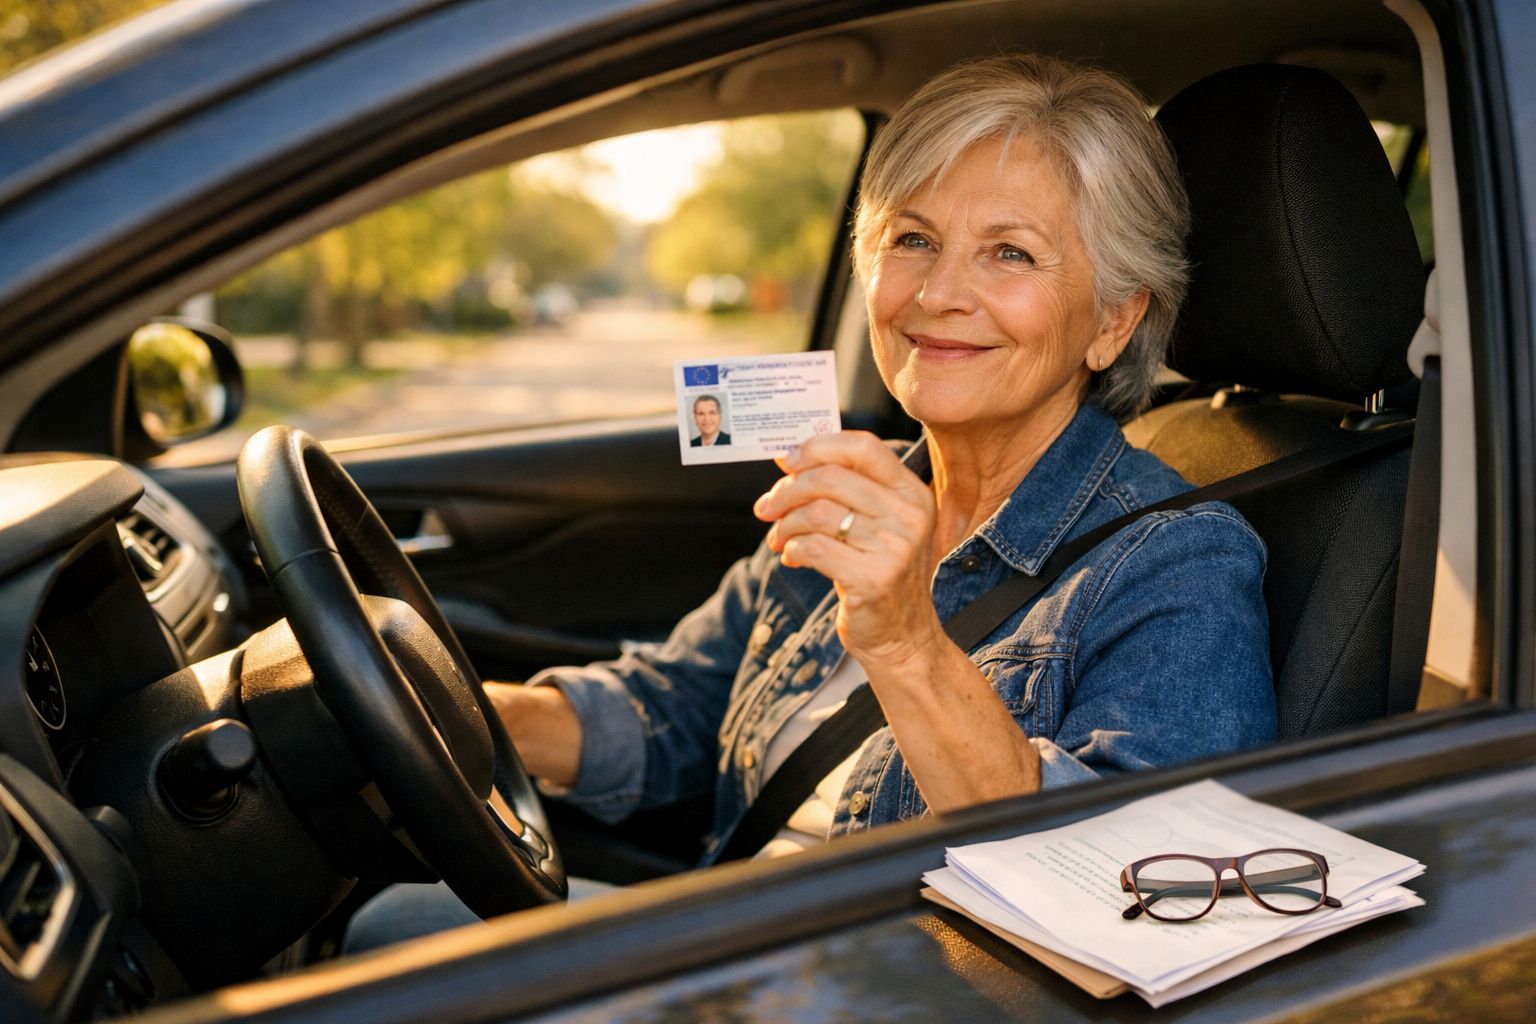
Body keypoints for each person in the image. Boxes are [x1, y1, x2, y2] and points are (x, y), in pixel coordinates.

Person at [347, 52, 1276, 947]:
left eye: (1010, 254)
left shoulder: (1179, 561)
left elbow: (1142, 893)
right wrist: (441, 719)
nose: (939, 293)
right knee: (388, 907)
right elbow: (672, 709)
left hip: (896, 983)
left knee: (388, 934)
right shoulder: (856, 487)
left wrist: (909, 640)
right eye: (913, 239)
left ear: (1114, 320)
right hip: (745, 930)